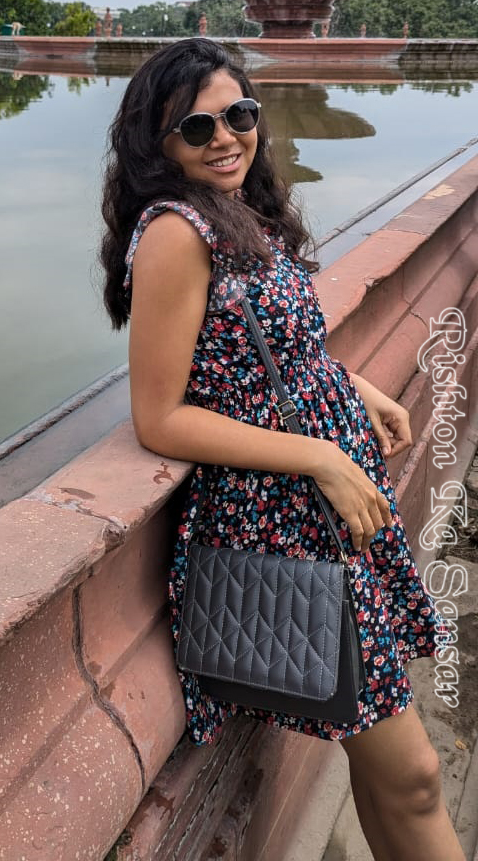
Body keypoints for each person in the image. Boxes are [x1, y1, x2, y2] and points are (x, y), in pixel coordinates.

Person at [100, 38, 464, 861]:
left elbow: (272, 350)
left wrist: (355, 388)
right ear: (159, 145)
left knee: (387, 768)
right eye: (197, 128)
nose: (225, 137)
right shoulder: (176, 232)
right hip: (283, 521)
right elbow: (159, 417)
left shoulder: (242, 209)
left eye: (239, 114)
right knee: (412, 773)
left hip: (323, 511)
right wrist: (321, 458)